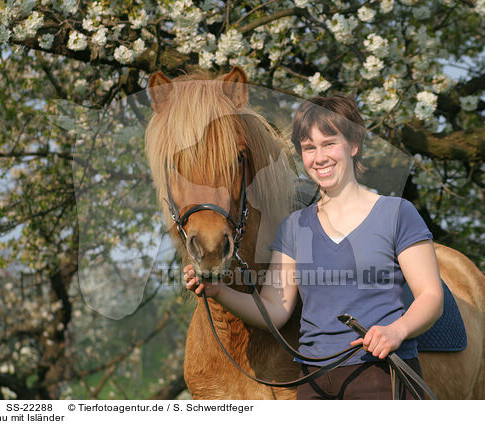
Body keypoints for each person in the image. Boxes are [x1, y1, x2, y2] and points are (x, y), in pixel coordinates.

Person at [183, 95, 444, 400]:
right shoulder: (294, 227)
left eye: (329, 144)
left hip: (380, 371)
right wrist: (219, 292)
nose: (319, 158)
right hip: (314, 382)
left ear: (354, 145)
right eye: (309, 148)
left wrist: (397, 330)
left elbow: (431, 296)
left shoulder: (397, 213)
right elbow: (274, 309)